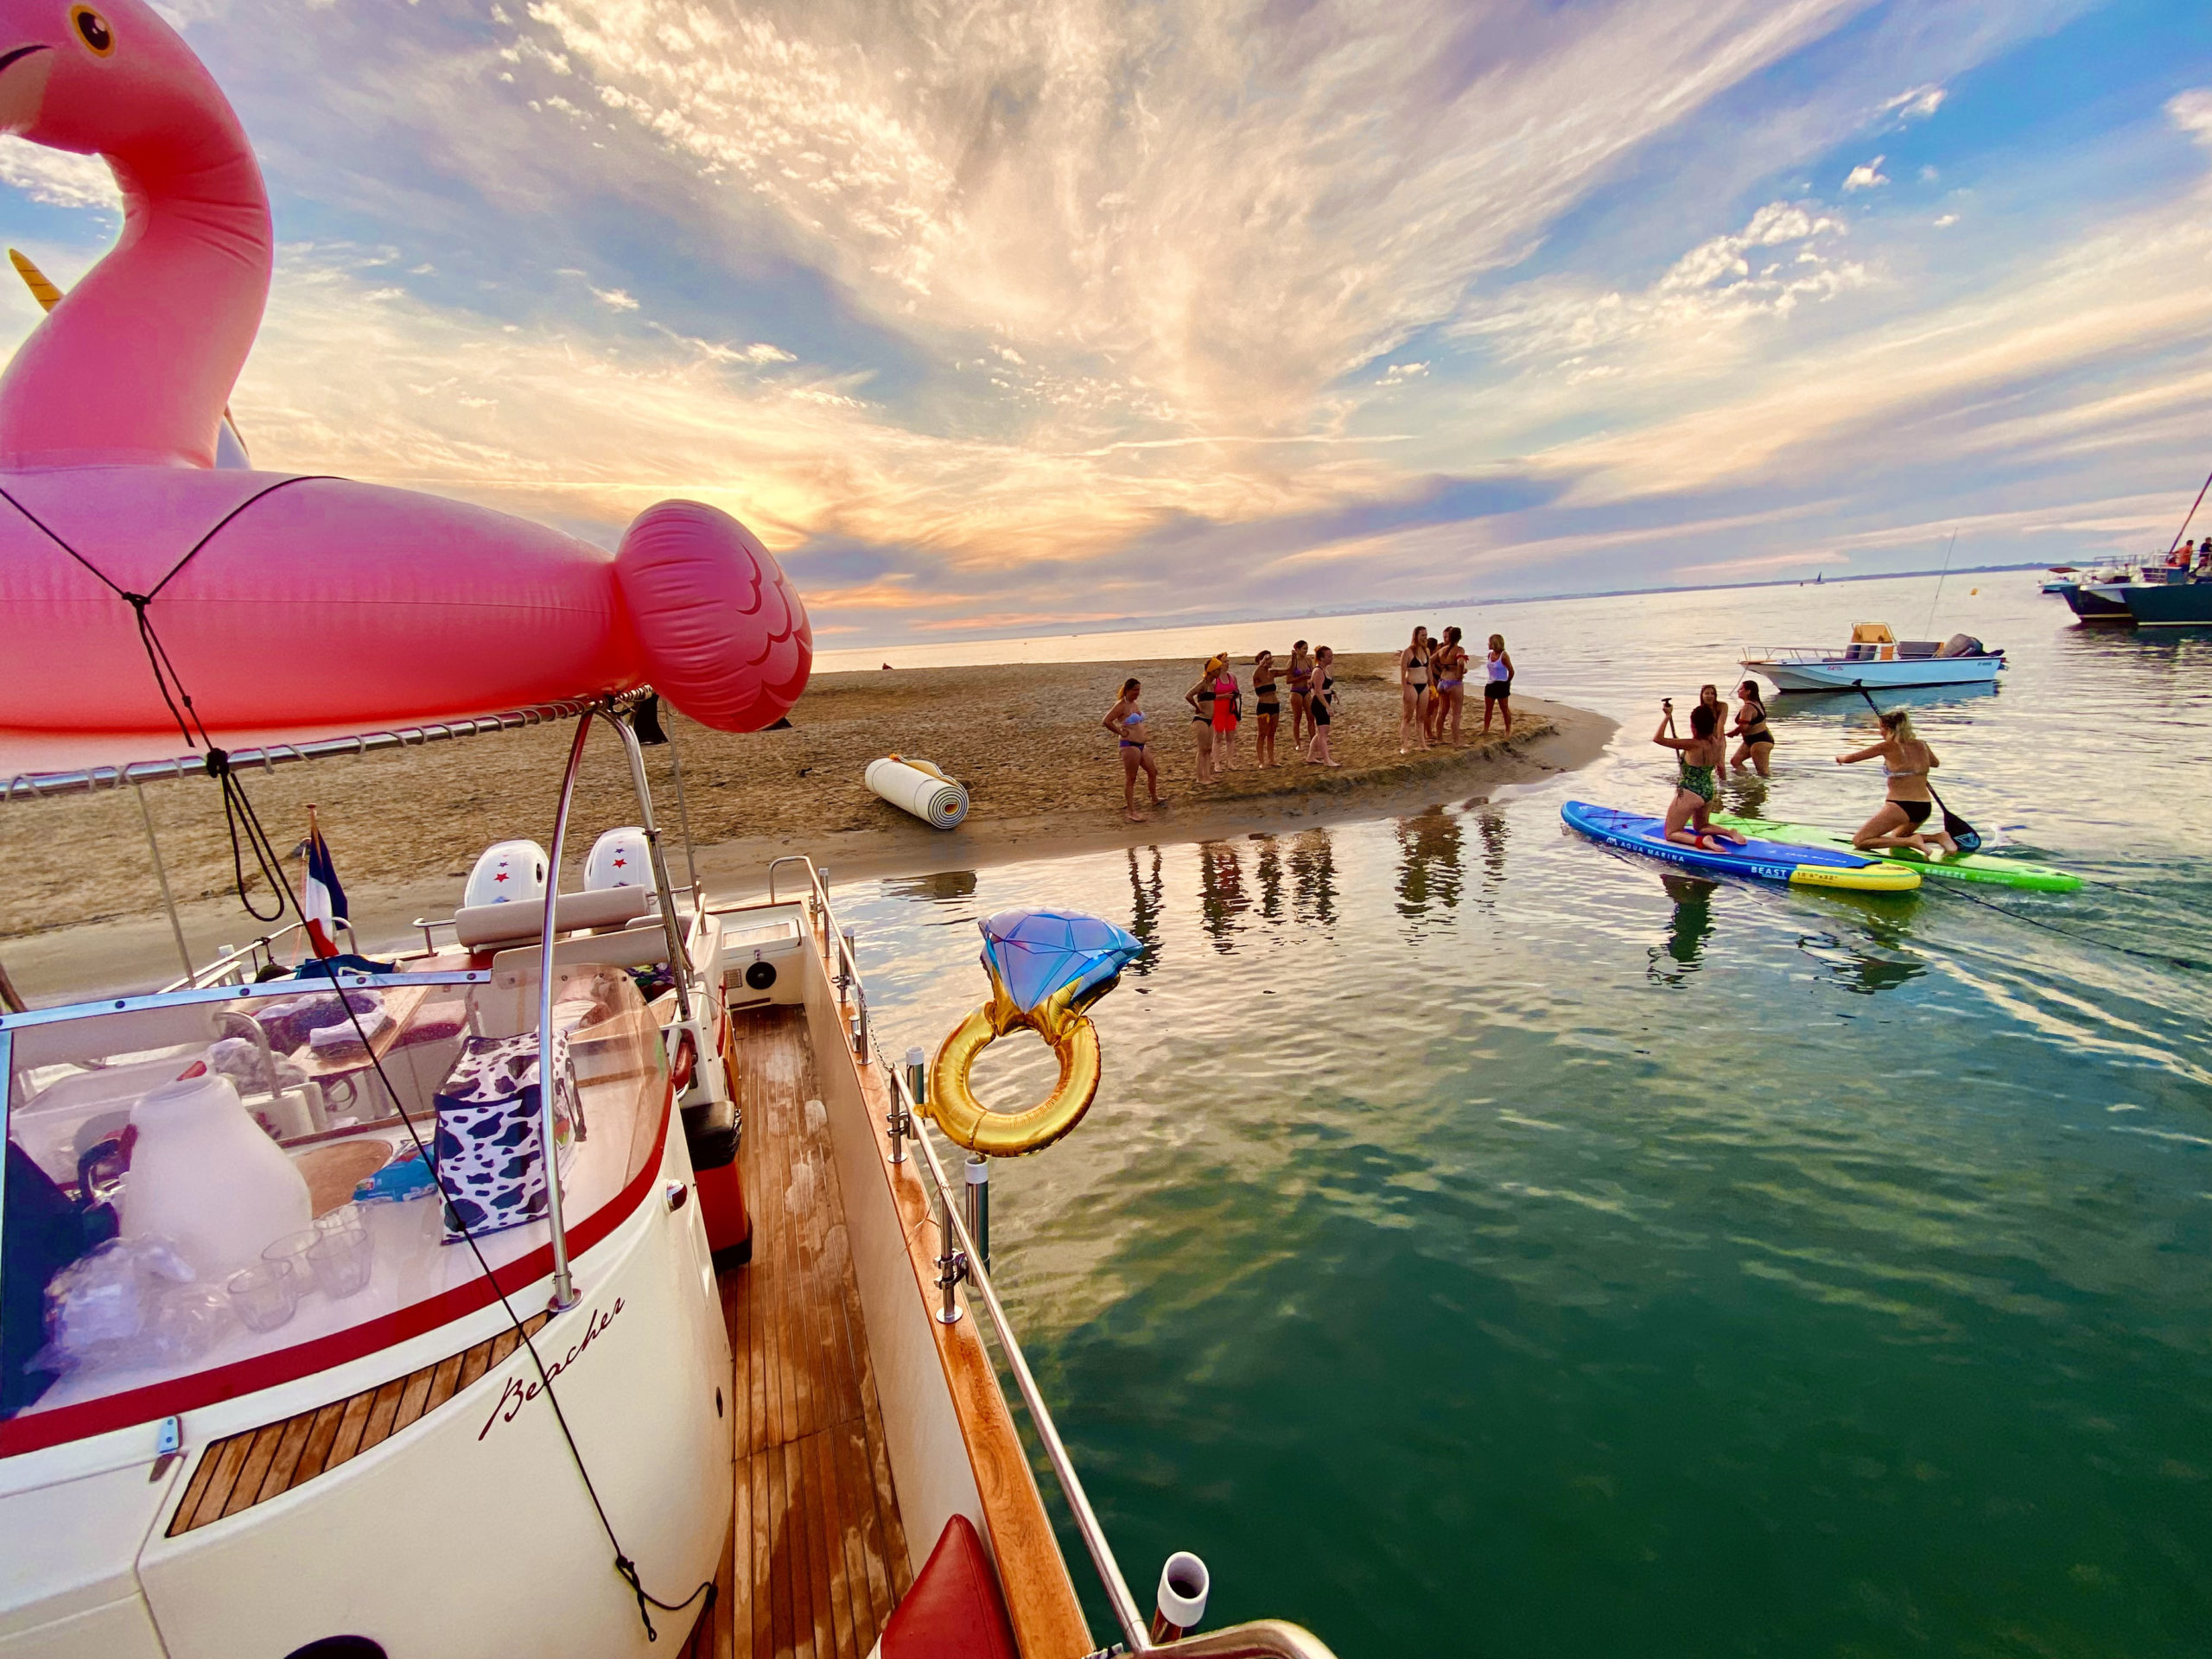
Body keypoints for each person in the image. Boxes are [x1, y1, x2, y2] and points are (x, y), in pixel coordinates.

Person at [1837, 709, 1955, 855]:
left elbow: (1849, 759)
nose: (1880, 732)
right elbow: (1935, 763)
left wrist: (1840, 757)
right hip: (1924, 806)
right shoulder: (1922, 745)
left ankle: (1912, 841)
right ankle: (1938, 837)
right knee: (1897, 837)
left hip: (1900, 806)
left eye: (1880, 728)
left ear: (1887, 729)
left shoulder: (1886, 746)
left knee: (1861, 841)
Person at [1653, 699, 1745, 849]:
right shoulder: (1718, 743)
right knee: (1701, 826)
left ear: (1693, 725)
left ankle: (1702, 842)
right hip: (1708, 790)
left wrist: (1667, 717)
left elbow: (1658, 739)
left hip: (1690, 792)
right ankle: (1730, 833)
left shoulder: (1692, 744)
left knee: (1671, 832)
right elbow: (1720, 766)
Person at [1102, 678, 1164, 822]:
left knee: (1153, 771)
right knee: (1131, 778)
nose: (1137, 693)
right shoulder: (1121, 705)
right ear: (1127, 690)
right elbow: (1106, 721)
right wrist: (1119, 732)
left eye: (1139, 690)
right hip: (1129, 745)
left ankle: (1154, 798)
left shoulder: (1134, 704)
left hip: (1141, 745)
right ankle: (1131, 811)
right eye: (1135, 690)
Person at [1185, 656, 1224, 784]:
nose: (1219, 672)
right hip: (1201, 719)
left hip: (1210, 720)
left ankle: (1207, 775)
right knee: (1202, 750)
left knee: (1208, 749)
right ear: (1212, 671)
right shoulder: (1202, 684)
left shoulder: (1212, 685)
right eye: (1217, 670)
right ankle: (1200, 777)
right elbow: (1188, 695)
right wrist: (1197, 707)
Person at [1727, 679, 1775, 777]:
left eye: (1741, 689)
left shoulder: (1748, 707)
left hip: (1760, 741)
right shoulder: (1756, 703)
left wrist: (1732, 733)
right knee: (1735, 761)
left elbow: (1743, 727)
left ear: (1748, 691)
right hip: (1751, 740)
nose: (1738, 691)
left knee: (1763, 773)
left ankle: (1764, 788)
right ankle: (1749, 780)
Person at [1428, 626, 1467, 744]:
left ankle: (1439, 738)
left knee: (1442, 712)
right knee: (1455, 714)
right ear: (1460, 637)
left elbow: (1429, 662)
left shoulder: (1442, 650)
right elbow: (1460, 663)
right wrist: (1460, 674)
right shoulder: (1459, 649)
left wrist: (1439, 670)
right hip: (1454, 682)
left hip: (1442, 682)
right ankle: (1457, 741)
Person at [1305, 646, 1342, 766]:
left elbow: (1325, 689)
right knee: (1323, 733)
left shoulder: (1325, 669)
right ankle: (1327, 760)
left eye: (1332, 655)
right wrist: (1327, 707)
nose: (1331, 658)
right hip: (1319, 704)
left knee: (1322, 732)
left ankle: (1310, 756)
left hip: (1324, 701)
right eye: (1329, 656)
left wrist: (1332, 693)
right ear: (1321, 658)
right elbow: (1318, 692)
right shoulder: (1318, 671)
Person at [1397, 626, 1432, 753]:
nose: (1425, 638)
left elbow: (1428, 669)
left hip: (1424, 685)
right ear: (1416, 636)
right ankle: (1404, 745)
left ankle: (1422, 744)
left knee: (1421, 717)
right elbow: (1402, 672)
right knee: (1408, 716)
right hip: (1411, 685)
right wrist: (1404, 688)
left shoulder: (1427, 651)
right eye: (1422, 635)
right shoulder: (1408, 652)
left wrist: (1432, 685)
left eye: (1426, 635)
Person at [1251, 649, 1283, 767]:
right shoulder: (1257, 674)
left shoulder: (1271, 673)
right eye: (1266, 659)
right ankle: (1261, 761)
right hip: (1263, 705)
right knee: (1262, 733)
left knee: (1271, 734)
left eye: (1269, 659)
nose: (1268, 661)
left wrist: (1294, 657)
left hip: (1275, 704)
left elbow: (1288, 671)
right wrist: (1262, 662)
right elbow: (1257, 675)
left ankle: (1272, 759)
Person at [1211, 654, 1242, 772]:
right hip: (1218, 710)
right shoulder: (1214, 679)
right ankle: (1217, 763)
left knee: (1231, 736)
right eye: (1224, 662)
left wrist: (1235, 695)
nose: (1227, 664)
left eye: (1228, 662)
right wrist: (1223, 696)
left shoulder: (1232, 676)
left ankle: (1230, 762)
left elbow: (1236, 690)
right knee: (1218, 737)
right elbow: (1209, 696)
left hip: (1231, 709)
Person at [1480, 634, 1514, 734]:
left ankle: (1508, 729)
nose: (1488, 644)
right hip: (1491, 683)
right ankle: (1485, 729)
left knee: (1504, 708)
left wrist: (1507, 682)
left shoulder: (1504, 655)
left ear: (1494, 644)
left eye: (1490, 643)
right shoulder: (1490, 655)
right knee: (1488, 709)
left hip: (1502, 683)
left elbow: (1511, 671)